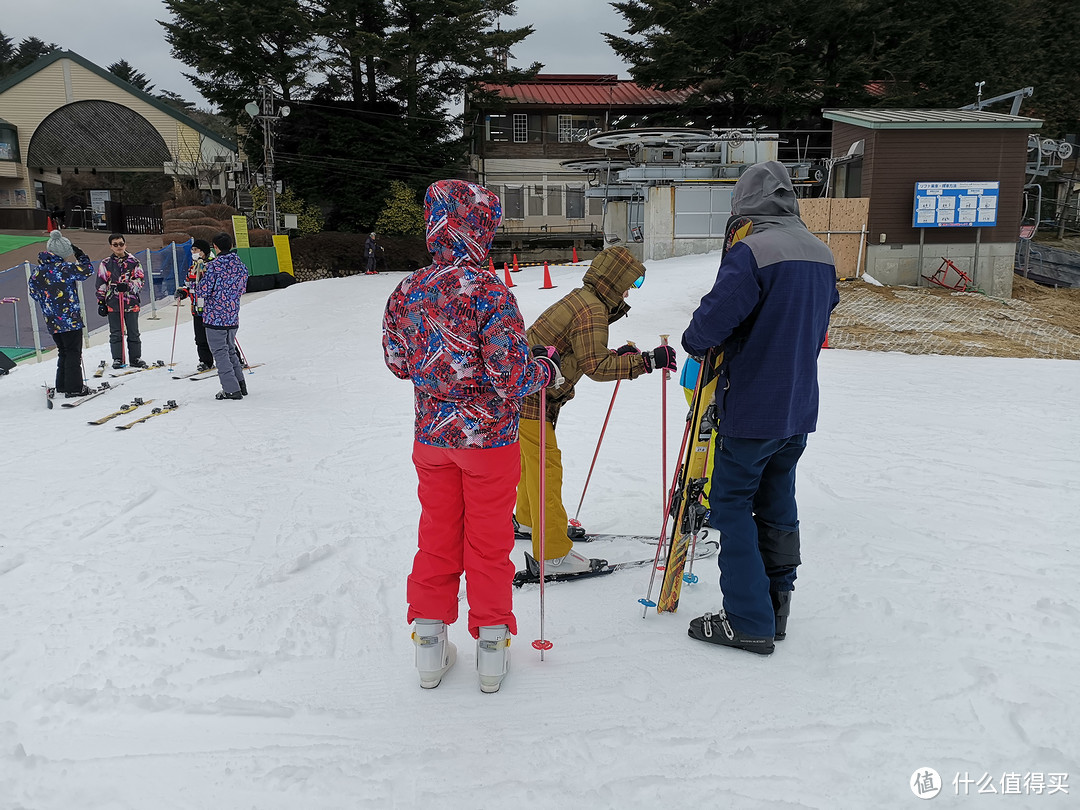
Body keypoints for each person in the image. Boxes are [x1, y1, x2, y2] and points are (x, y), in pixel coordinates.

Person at [382, 179, 558, 693]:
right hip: (488, 443)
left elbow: (397, 363)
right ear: (481, 227)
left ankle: (431, 645)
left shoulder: (408, 289)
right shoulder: (489, 290)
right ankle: (491, 647)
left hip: (433, 438)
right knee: (488, 540)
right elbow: (509, 374)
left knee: (437, 533)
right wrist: (541, 371)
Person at [681, 161, 839, 655]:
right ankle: (776, 607)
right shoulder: (822, 252)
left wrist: (701, 339)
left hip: (751, 407)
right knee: (777, 500)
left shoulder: (752, 250)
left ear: (744, 203)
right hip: (797, 407)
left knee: (731, 506)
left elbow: (708, 328)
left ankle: (748, 620)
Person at [514, 246, 677, 574]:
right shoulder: (592, 310)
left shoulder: (582, 299)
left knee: (533, 463)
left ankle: (530, 522)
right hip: (531, 394)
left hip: (523, 390)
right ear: (613, 283)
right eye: (628, 284)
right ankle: (553, 553)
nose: (629, 291)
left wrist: (619, 355)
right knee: (547, 467)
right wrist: (647, 361)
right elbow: (596, 367)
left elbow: (583, 352)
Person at [28, 231, 94, 397]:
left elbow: (34, 293)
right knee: (73, 352)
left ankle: (63, 385)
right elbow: (87, 270)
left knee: (63, 351)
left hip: (51, 320)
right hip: (70, 319)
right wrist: (81, 256)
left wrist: (48, 302)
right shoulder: (65, 268)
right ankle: (74, 387)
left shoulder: (37, 272)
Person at [196, 232, 250, 400]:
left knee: (220, 353)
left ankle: (231, 389)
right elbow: (243, 289)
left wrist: (200, 279)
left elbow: (202, 291)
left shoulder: (213, 266)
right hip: (232, 315)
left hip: (215, 317)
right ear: (231, 246)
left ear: (215, 247)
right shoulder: (240, 266)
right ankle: (240, 384)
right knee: (230, 350)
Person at [96, 233, 146, 369]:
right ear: (111, 247)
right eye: (116, 245)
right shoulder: (106, 263)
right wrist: (101, 302)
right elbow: (101, 282)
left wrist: (129, 285)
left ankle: (135, 358)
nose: (119, 247)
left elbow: (140, 280)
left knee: (133, 331)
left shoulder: (134, 261)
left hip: (130, 302)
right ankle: (118, 358)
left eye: (121, 244)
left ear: (125, 245)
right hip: (113, 302)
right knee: (116, 332)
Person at [175, 239, 215, 371]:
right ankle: (205, 361)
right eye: (192, 250)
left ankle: (234, 358)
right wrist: (182, 292)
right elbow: (188, 286)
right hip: (197, 309)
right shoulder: (192, 269)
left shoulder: (212, 267)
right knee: (200, 338)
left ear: (203, 252)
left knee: (218, 337)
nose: (193, 252)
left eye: (196, 250)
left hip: (212, 310)